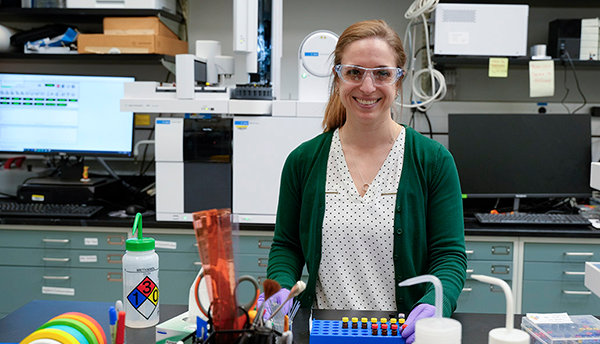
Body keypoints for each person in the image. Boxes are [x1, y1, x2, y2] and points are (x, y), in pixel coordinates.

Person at [256, 19, 466, 344]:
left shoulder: (433, 162)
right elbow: (288, 245)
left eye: (382, 73)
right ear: (338, 78)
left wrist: (435, 304)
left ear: (398, 81)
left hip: (402, 334)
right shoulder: (303, 161)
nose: (367, 87)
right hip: (324, 332)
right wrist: (281, 287)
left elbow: (449, 255)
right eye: (354, 72)